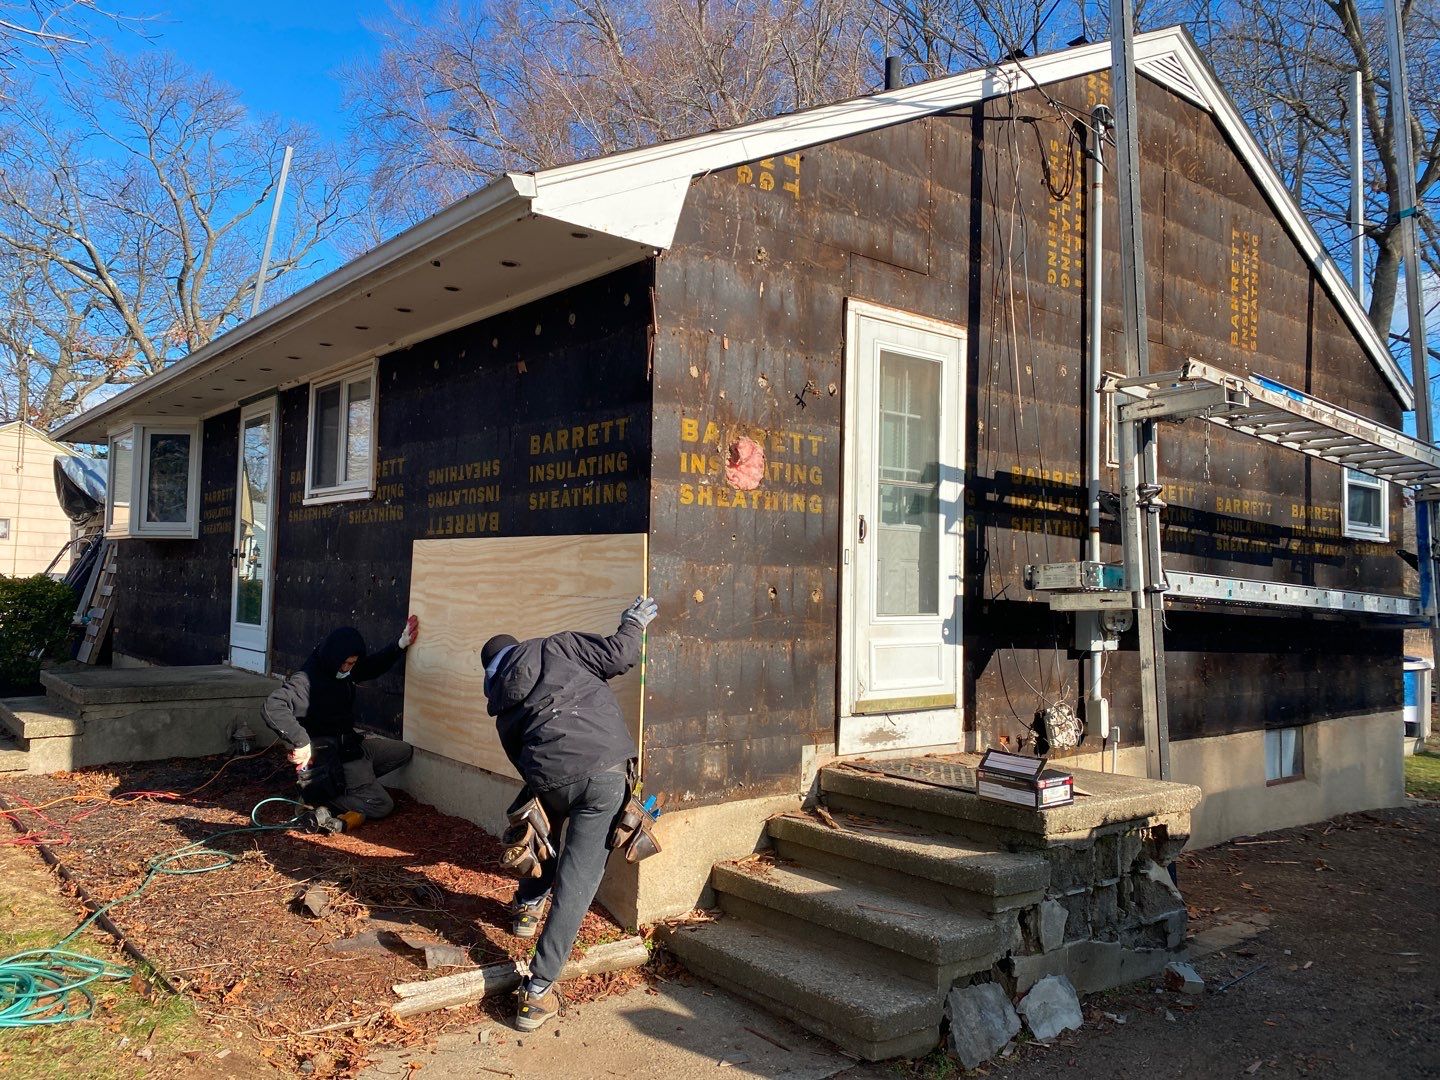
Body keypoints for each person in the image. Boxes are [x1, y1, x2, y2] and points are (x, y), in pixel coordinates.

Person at [484, 595, 658, 1032]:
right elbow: (619, 656)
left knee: (542, 832)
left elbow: (524, 763)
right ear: (518, 646)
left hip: (553, 782)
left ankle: (526, 907)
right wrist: (633, 623)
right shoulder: (557, 646)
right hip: (602, 775)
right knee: (578, 882)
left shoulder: (503, 708)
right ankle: (538, 991)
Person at [262, 616, 420, 833]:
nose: (348, 667)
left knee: (403, 752)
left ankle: (341, 787)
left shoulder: (343, 668)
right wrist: (301, 741)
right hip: (332, 754)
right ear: (333, 657)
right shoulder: (307, 680)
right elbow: (273, 704)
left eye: (352, 663)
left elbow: (371, 667)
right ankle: (322, 799)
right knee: (383, 805)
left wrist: (400, 644)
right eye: (345, 663)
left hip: (352, 745)